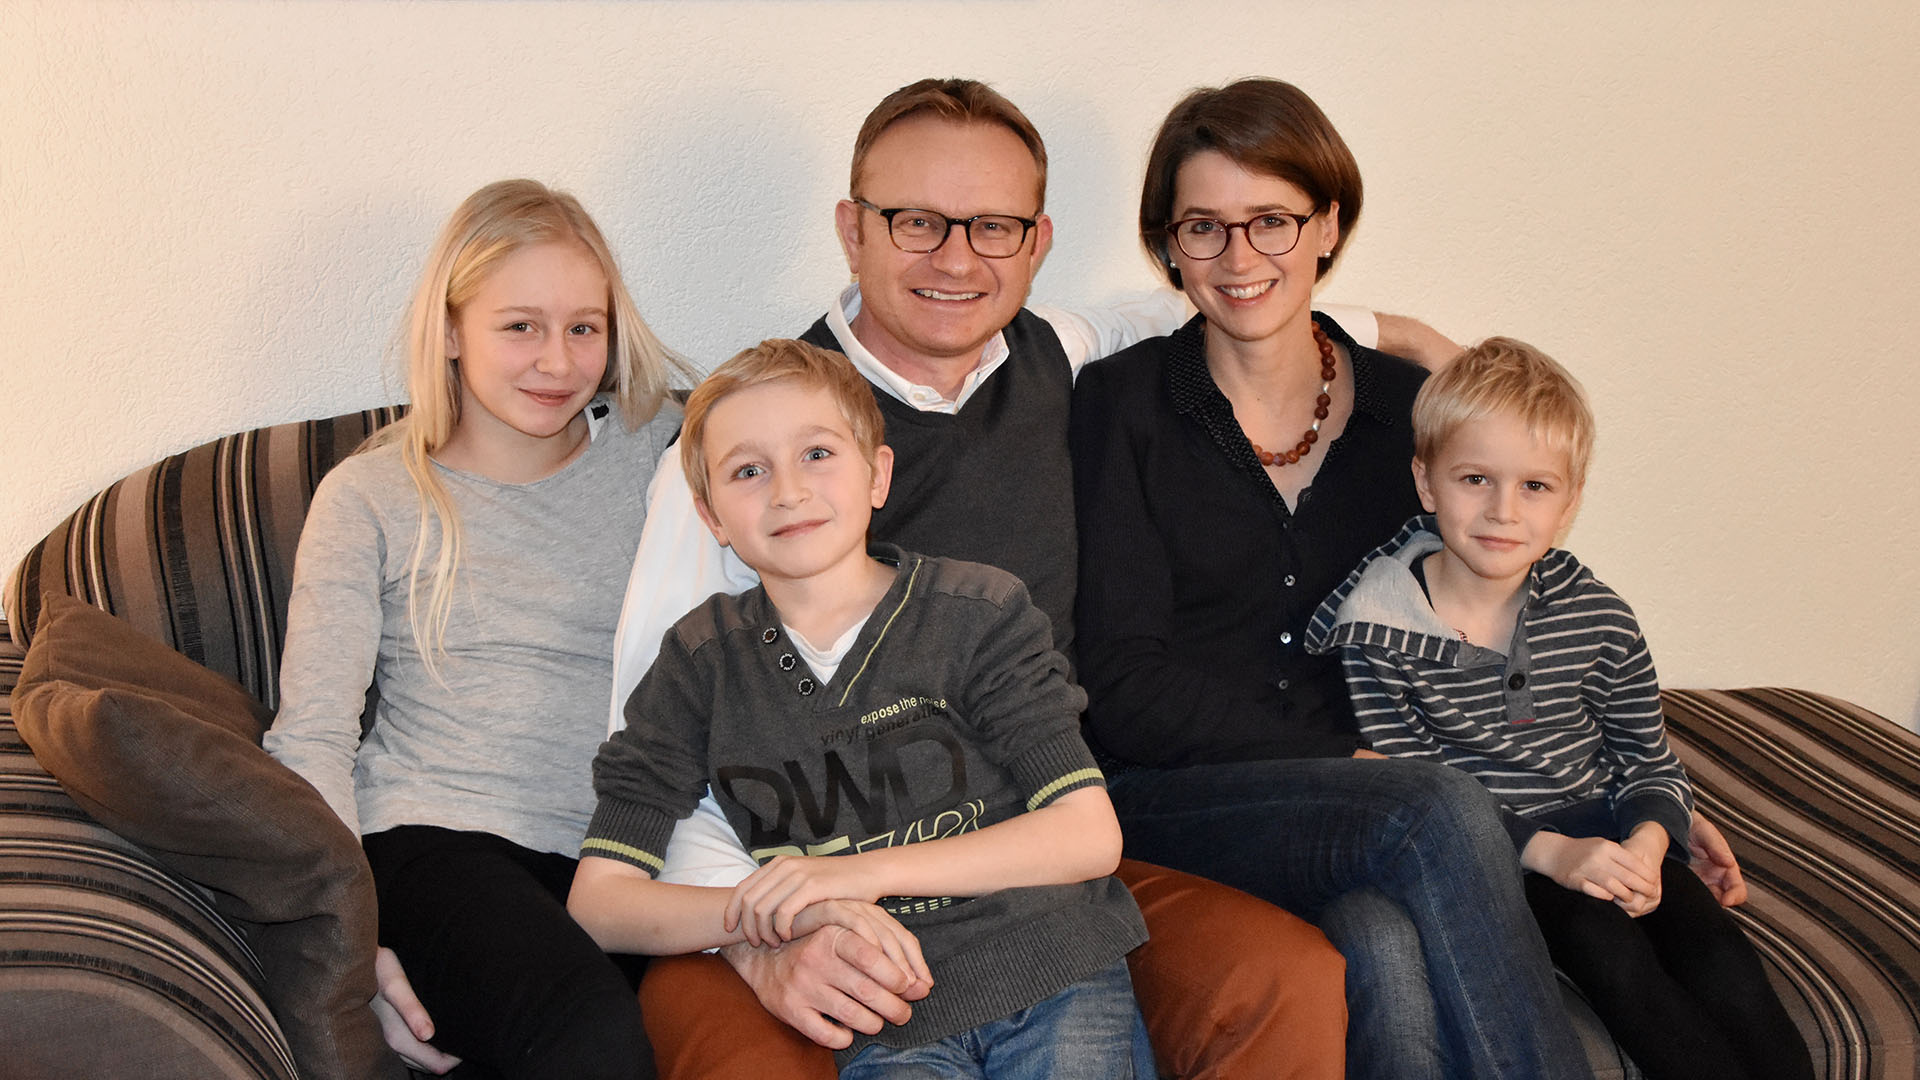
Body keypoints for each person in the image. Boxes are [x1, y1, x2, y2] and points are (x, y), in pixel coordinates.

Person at [606, 78, 1470, 1080]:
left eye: (994, 227)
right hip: (831, 874)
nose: (957, 259)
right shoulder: (746, 447)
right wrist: (756, 940)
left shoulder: (1063, 355)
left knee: (1288, 976)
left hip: (1049, 849)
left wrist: (1413, 341)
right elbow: (650, 735)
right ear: (853, 230)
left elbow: (1232, 295)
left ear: (1038, 240)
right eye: (917, 221)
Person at [1068, 77, 1606, 1079]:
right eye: (1204, 228)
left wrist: (1629, 788)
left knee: (1378, 939)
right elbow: (1124, 683)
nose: (1240, 260)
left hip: (1352, 813)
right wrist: (1351, 761)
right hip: (1165, 797)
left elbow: (1487, 627)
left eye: (1272, 221)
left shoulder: (1409, 409)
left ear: (1329, 225)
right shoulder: (1122, 404)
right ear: (1168, 248)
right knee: (1432, 810)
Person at [571, 338, 1152, 1079]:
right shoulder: (697, 664)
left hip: (1050, 964)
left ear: (877, 474)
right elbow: (600, 901)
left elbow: (1087, 835)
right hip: (878, 1016)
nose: (786, 490)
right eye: (747, 471)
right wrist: (777, 910)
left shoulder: (979, 611)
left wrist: (851, 874)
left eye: (817, 453)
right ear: (712, 515)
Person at [264, 178, 689, 1079]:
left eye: (584, 326)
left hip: (623, 860)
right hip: (436, 842)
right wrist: (352, 948)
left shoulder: (668, 454)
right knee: (594, 1041)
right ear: (451, 330)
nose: (558, 361)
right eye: (519, 325)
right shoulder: (373, 497)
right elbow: (311, 737)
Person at [1304, 337, 1814, 1080]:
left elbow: (1648, 757)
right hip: (1497, 861)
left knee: (1722, 959)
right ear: (1426, 482)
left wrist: (1649, 837)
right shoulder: (1380, 634)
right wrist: (1556, 856)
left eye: (1535, 487)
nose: (1502, 511)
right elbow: (1415, 797)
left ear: (1570, 501)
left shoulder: (1598, 617)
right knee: (1611, 957)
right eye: (1475, 478)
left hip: (1611, 834)